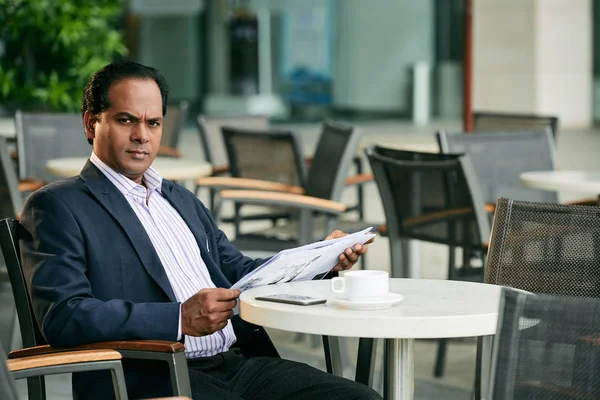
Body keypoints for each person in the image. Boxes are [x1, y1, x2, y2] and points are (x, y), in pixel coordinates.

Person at [18, 60, 381, 400]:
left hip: (239, 362)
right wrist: (178, 318)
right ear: (91, 123)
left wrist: (320, 261)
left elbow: (239, 274)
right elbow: (64, 315)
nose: (142, 135)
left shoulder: (180, 199)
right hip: (148, 375)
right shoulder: (58, 206)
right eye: (127, 120)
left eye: (154, 123)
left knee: (361, 397)